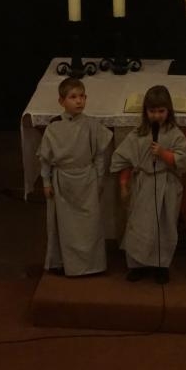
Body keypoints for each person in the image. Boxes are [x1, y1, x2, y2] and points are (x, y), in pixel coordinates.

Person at [110, 85, 186, 284]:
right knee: (139, 225)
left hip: (166, 184)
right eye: (152, 111)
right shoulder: (137, 134)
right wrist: (124, 185)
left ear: (169, 110)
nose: (157, 116)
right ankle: (137, 265)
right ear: (145, 111)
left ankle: (161, 265)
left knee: (164, 226)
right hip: (143, 183)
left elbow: (181, 160)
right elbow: (125, 160)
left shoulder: (175, 134)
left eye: (161, 111)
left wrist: (163, 153)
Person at [39, 77, 113, 276]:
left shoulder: (92, 125)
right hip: (63, 181)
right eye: (73, 97)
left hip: (87, 181)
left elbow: (99, 155)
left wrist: (99, 179)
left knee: (90, 226)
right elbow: (45, 158)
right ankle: (67, 264)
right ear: (61, 101)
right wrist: (46, 182)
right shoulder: (54, 127)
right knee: (67, 227)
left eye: (82, 96)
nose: (79, 101)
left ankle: (93, 265)